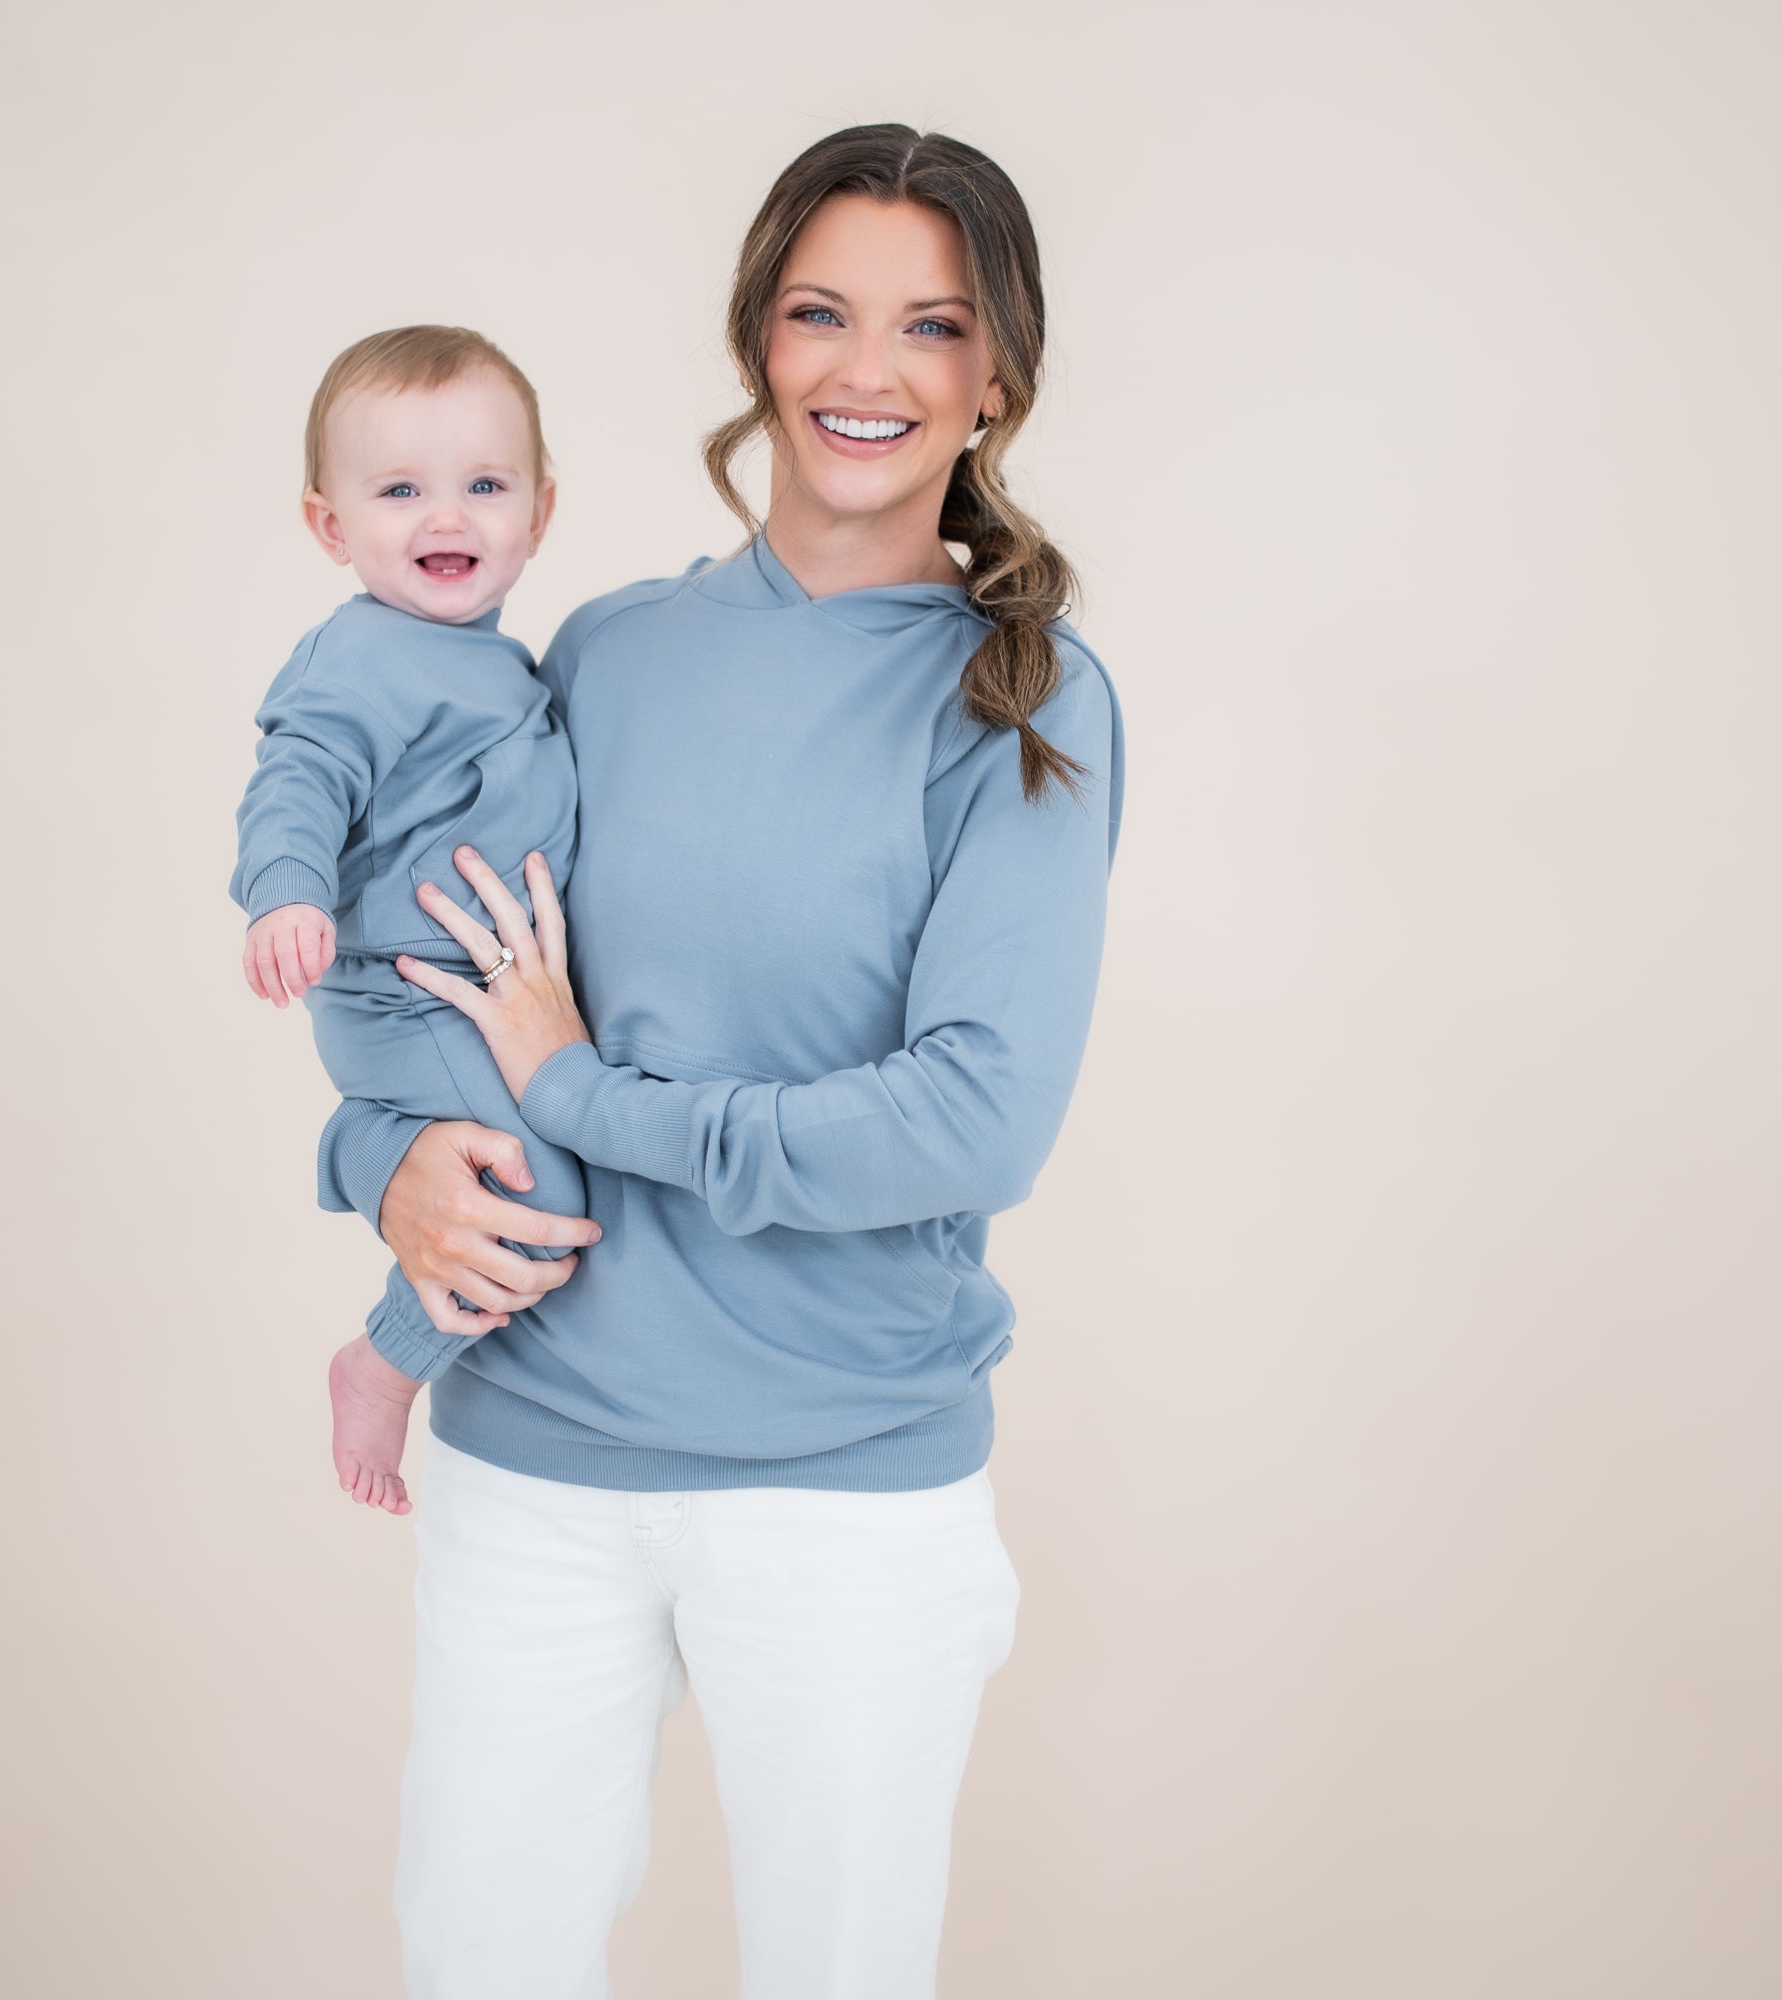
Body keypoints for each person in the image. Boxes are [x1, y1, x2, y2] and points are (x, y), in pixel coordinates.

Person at [318, 125, 1126, 1999]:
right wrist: (389, 1167)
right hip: (532, 1456)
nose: (869, 371)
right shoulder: (598, 652)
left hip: (844, 1489)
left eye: (931, 326)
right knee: (476, 1959)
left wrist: (592, 1099)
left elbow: (969, 1120)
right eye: (821, 313)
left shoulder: (1026, 695)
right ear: (758, 339)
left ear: (993, 374)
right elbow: (421, 973)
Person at [229, 325, 599, 1516]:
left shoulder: (505, 661)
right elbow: (298, 776)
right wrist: (284, 889)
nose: (446, 516)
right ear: (329, 526)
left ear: (538, 513)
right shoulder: (358, 656)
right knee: (534, 1194)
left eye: (483, 486)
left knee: (542, 1174)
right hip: (408, 990)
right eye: (399, 491)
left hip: (467, 994)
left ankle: (398, 1327)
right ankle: (383, 1362)